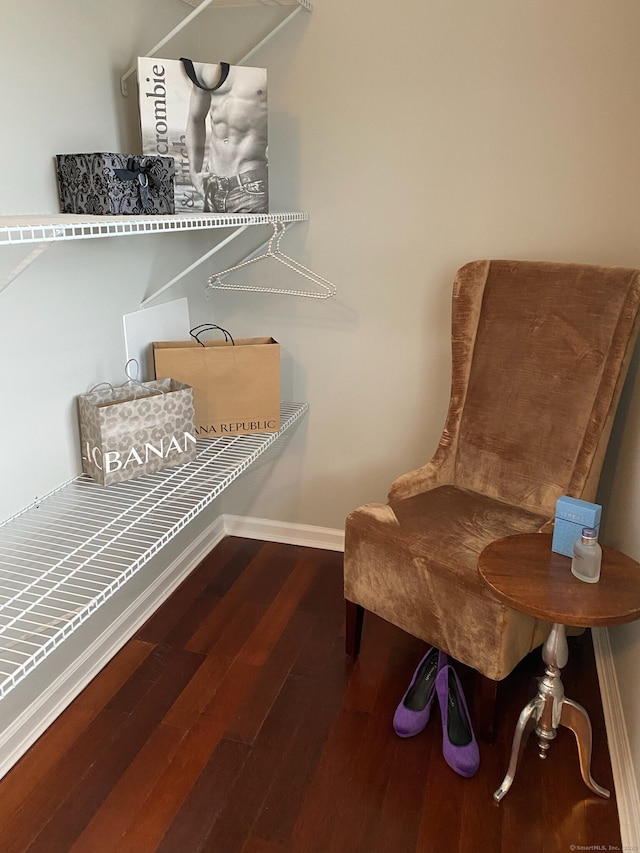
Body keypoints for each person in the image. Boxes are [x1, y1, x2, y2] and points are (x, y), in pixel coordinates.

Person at [185, 62, 268, 214]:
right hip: (211, 187)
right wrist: (193, 172)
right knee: (209, 239)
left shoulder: (264, 72)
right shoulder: (205, 67)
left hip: (251, 187)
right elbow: (195, 118)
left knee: (254, 238)